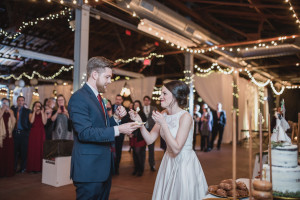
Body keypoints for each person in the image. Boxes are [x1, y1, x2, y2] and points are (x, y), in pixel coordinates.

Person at [68, 56, 142, 200]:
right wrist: (119, 130)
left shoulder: (99, 98)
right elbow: (85, 133)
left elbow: (102, 126)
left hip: (102, 167)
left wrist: (115, 118)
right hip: (89, 170)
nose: (110, 81)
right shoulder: (79, 98)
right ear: (94, 75)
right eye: (107, 77)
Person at [129, 80, 208, 200]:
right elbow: (150, 139)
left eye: (164, 93)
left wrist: (164, 124)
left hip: (184, 163)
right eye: (161, 93)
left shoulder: (185, 117)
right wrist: (139, 122)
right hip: (168, 161)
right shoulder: (164, 113)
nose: (160, 97)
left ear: (175, 96)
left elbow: (176, 148)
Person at [11, 96, 31, 173]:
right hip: (15, 133)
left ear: (24, 102)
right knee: (14, 152)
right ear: (17, 101)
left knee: (24, 152)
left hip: (24, 133)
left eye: (22, 100)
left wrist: (27, 131)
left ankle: (23, 168)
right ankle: (14, 167)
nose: (20, 102)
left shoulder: (27, 111)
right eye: (19, 100)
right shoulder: (13, 110)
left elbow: (30, 123)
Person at [112, 94, 130, 175]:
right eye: (117, 99)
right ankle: (110, 167)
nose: (118, 100)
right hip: (111, 132)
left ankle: (116, 168)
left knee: (118, 151)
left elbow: (126, 120)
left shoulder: (125, 109)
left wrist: (119, 119)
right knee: (111, 150)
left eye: (119, 99)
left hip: (120, 134)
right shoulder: (111, 107)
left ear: (122, 100)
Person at [26, 101, 47, 172]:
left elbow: (44, 123)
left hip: (41, 133)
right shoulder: (31, 114)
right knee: (33, 149)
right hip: (33, 133)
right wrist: (34, 112)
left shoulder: (44, 114)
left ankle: (40, 168)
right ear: (34, 107)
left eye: (39, 106)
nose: (38, 107)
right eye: (36, 106)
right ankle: (32, 167)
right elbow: (31, 121)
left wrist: (42, 112)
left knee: (40, 149)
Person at [130, 100, 147, 176]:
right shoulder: (132, 114)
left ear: (140, 106)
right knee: (134, 154)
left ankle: (141, 169)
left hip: (140, 137)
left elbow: (142, 125)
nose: (136, 106)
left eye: (137, 105)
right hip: (133, 137)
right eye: (135, 105)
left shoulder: (142, 114)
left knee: (139, 153)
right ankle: (136, 169)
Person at [0, 98, 16, 177]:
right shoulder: (0, 110)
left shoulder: (11, 111)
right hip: (1, 135)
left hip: (9, 134)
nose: (5, 105)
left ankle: (8, 171)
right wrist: (2, 111)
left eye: (6, 103)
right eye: (3, 103)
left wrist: (11, 114)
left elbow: (13, 123)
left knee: (8, 153)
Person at [143, 95, 156, 171]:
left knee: (151, 149)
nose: (146, 101)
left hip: (151, 130)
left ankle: (152, 165)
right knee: (142, 149)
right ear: (143, 101)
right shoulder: (140, 108)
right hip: (143, 129)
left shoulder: (153, 108)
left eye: (147, 100)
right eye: (145, 100)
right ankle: (142, 164)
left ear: (150, 101)